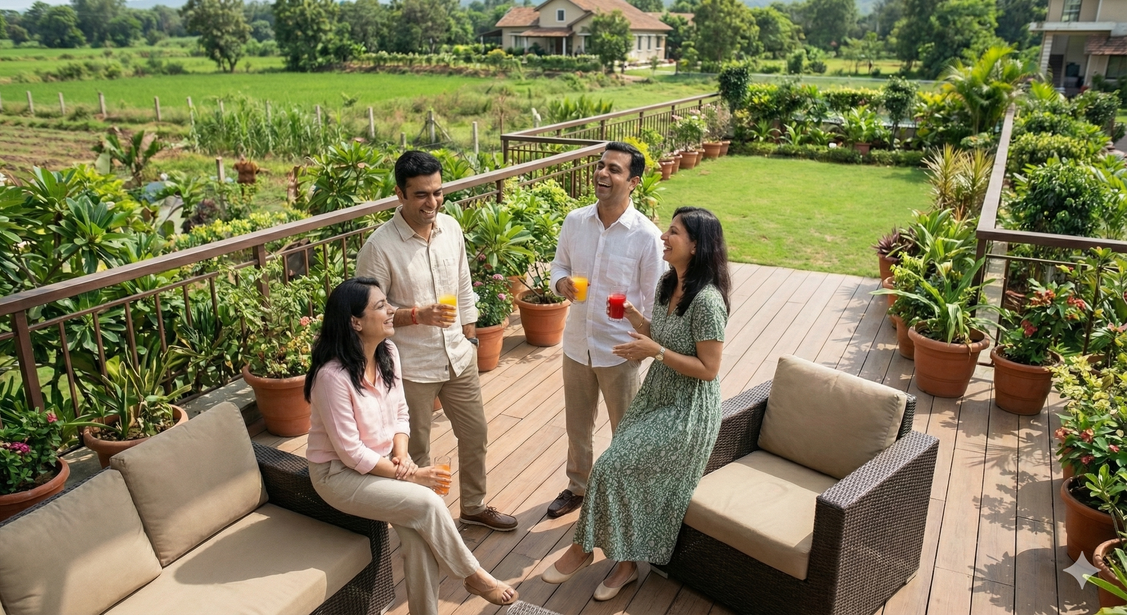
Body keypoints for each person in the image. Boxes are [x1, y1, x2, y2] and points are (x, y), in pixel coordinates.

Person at [542, 206, 731, 601]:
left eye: (674, 232)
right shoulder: (668, 283)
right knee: (618, 467)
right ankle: (624, 564)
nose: (664, 236)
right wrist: (636, 321)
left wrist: (655, 351)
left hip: (687, 409)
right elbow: (661, 333)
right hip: (657, 396)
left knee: (612, 465)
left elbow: (709, 369)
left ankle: (584, 550)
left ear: (696, 246)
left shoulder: (708, 301)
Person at [304, 278, 518, 614]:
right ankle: (473, 575)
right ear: (355, 322)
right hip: (338, 476)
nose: (391, 311)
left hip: (382, 463)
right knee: (428, 503)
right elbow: (351, 453)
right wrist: (412, 475)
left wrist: (402, 456)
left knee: (418, 536)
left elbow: (401, 414)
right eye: (380, 307)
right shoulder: (332, 378)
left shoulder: (388, 352)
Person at [356, 151, 517, 532]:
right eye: (421, 195)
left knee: (475, 435)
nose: (432, 203)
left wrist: (472, 337)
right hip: (411, 367)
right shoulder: (379, 248)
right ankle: (422, 519)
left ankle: (474, 506)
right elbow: (368, 317)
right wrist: (416, 315)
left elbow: (463, 287)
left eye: (437, 192)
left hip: (459, 358)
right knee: (416, 451)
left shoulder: (452, 229)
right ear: (399, 194)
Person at [546, 141, 665, 519]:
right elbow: (558, 267)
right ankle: (578, 487)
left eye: (614, 169)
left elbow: (655, 297)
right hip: (577, 343)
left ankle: (623, 497)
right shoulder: (575, 221)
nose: (602, 173)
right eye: (600, 166)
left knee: (625, 431)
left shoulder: (646, 235)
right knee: (577, 427)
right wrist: (561, 284)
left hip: (620, 350)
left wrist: (646, 342)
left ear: (633, 182)